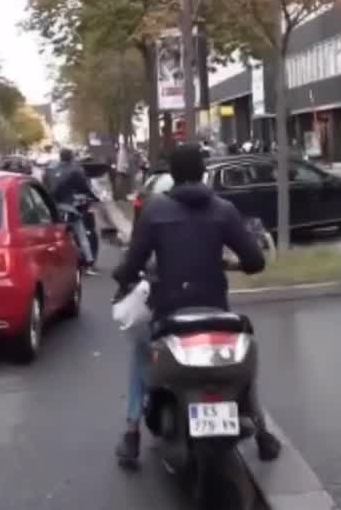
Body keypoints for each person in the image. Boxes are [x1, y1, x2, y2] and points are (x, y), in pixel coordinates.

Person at [111, 143, 281, 466]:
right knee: (240, 366)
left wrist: (124, 276)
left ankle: (132, 432)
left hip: (170, 314)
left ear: (171, 176)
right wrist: (229, 263)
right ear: (203, 172)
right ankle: (263, 432)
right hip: (217, 313)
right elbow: (255, 261)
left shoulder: (154, 211)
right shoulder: (224, 210)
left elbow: (131, 264)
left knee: (140, 353)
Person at [43, 147, 99, 274]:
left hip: (51, 208)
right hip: (67, 206)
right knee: (81, 233)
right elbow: (84, 187)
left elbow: (44, 184)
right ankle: (89, 263)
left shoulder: (50, 169)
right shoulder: (75, 170)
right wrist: (94, 196)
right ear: (71, 157)